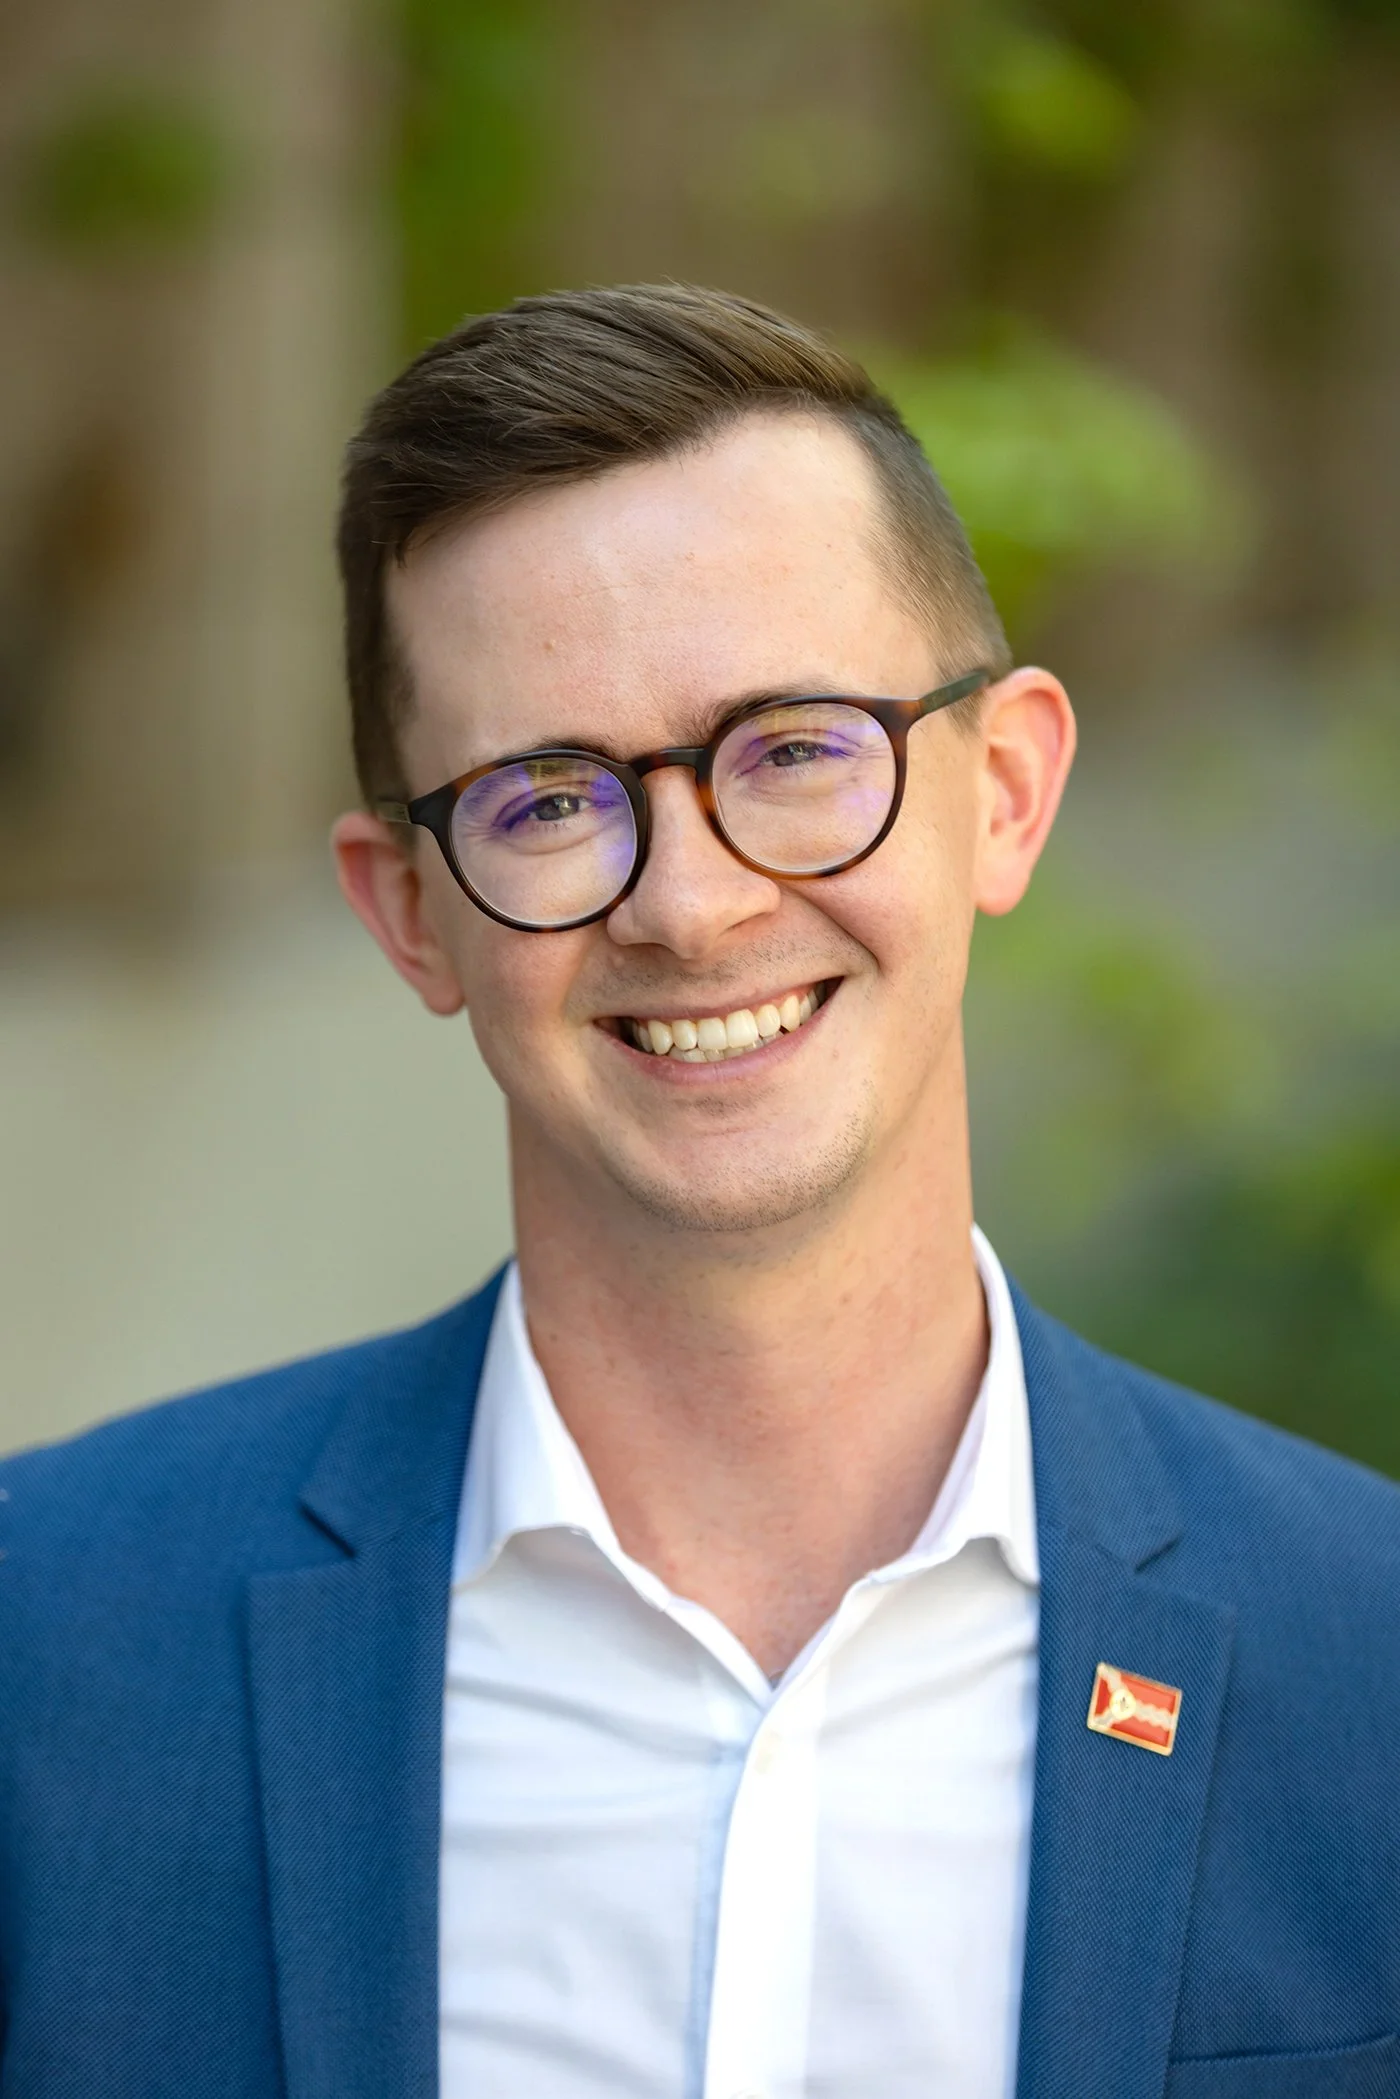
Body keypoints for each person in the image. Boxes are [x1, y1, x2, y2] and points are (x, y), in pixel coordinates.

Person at [2, 285, 1397, 2099]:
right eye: (547, 797)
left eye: (799, 750)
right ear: (408, 911)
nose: (689, 904)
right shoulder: (46, 1644)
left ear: (1011, 791)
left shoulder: (1371, 1665)